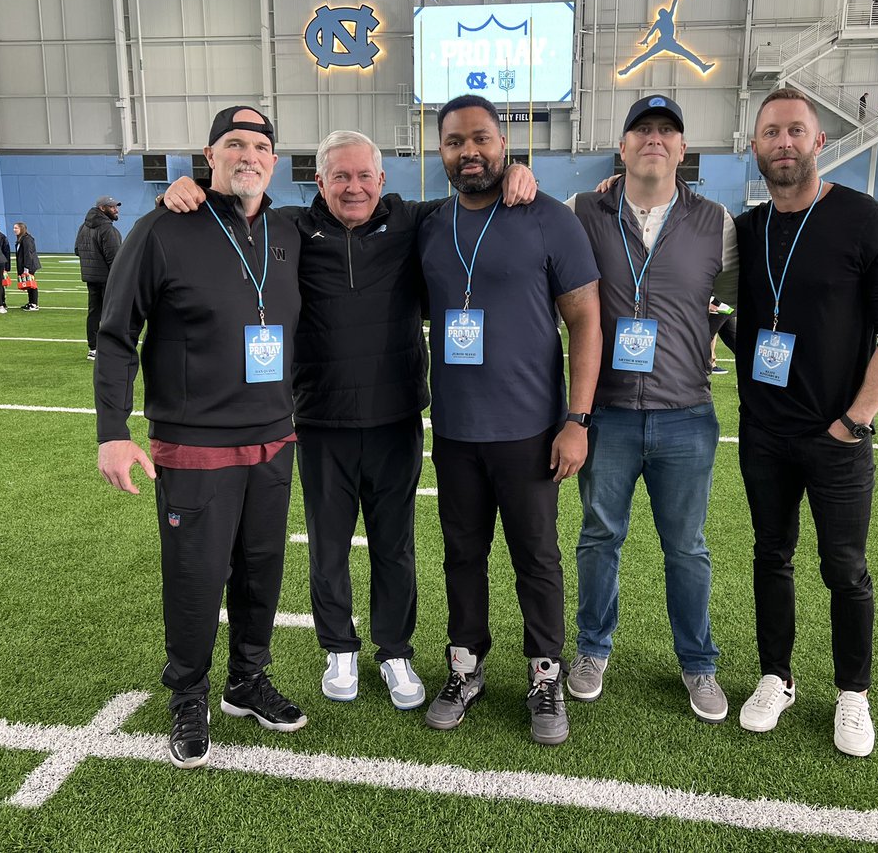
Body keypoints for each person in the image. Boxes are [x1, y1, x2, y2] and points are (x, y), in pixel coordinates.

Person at [161, 136, 535, 710]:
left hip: (395, 418)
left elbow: (475, 191)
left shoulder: (414, 220)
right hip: (320, 418)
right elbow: (227, 216)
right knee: (327, 545)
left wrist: (518, 172)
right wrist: (187, 189)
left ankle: (394, 650)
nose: (353, 187)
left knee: (395, 544)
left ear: (383, 182)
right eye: (340, 177)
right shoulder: (287, 229)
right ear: (319, 182)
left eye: (364, 176)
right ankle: (339, 647)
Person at [95, 106, 307, 770]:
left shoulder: (289, 229)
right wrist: (112, 432)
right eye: (235, 144)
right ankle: (188, 692)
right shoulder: (163, 228)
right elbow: (114, 334)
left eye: (262, 146)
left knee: (261, 570)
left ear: (275, 160)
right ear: (208, 157)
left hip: (274, 439)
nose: (250, 154)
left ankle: (247, 680)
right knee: (195, 577)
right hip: (195, 443)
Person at [734, 88, 878, 757]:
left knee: (844, 567)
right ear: (755, 147)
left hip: (838, 437)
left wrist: (854, 421)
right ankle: (776, 678)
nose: (783, 141)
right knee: (770, 556)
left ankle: (851, 693)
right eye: (770, 132)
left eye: (795, 131)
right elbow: (753, 326)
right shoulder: (747, 230)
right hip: (764, 435)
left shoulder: (867, 221)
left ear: (818, 142)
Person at [420, 94, 601, 746]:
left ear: (505, 145)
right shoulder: (430, 225)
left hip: (530, 431)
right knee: (462, 556)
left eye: (482, 139)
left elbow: (585, 320)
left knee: (536, 558)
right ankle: (465, 668)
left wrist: (577, 418)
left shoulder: (549, 218)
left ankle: (545, 674)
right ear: (437, 151)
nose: (469, 151)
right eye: (454, 141)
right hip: (456, 431)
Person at [561, 95, 739, 723]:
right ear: (624, 145)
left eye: (667, 131)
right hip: (605, 412)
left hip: (686, 414)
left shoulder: (716, 220)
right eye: (643, 130)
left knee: (687, 548)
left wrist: (708, 341)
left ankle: (699, 663)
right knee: (599, 538)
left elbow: (732, 301)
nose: (654, 140)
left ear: (682, 149)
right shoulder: (584, 211)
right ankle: (591, 650)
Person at [76, 195, 122, 361]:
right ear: (103, 208)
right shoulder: (107, 228)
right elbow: (115, 257)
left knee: (94, 313)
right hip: (108, 278)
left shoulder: (84, 226)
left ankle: (93, 348)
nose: (116, 210)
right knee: (112, 314)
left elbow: (77, 249)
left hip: (91, 277)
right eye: (112, 207)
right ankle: (111, 347)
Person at [13, 222, 41, 311]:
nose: (14, 230)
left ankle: (34, 304)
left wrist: (26, 268)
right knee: (29, 284)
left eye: (16, 228)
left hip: (30, 265)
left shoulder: (26, 239)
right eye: (14, 228)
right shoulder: (21, 239)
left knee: (32, 284)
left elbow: (28, 254)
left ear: (21, 229)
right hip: (26, 264)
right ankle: (31, 302)